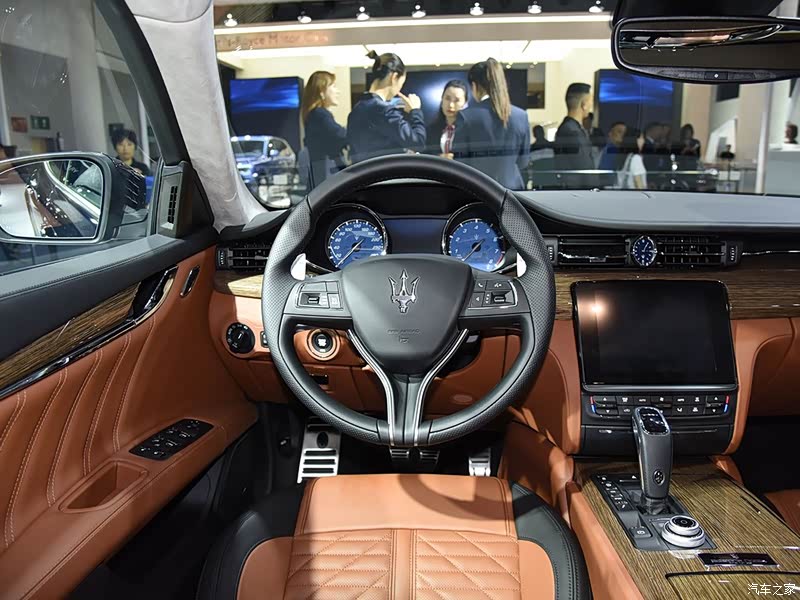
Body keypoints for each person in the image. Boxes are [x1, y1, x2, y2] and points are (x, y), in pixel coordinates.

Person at [452, 58, 530, 189]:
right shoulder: (521, 116)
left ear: (475, 85)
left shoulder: (466, 116)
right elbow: (523, 162)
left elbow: (460, 163)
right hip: (514, 191)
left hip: (479, 191)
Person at [347, 51, 426, 163]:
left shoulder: (357, 109)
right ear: (394, 77)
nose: (399, 89)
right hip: (384, 172)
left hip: (363, 172)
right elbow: (418, 142)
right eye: (401, 83)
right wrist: (415, 111)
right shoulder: (384, 110)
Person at [300, 71, 348, 187]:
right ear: (321, 92)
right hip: (326, 181)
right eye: (333, 86)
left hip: (321, 179)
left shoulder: (315, 115)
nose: (338, 91)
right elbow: (341, 135)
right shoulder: (320, 115)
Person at [553, 82, 594, 187]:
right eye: (590, 101)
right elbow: (585, 168)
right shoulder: (573, 132)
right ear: (584, 104)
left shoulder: (567, 128)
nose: (591, 106)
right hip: (579, 191)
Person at [425, 79, 468, 158]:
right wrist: (439, 157)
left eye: (457, 100)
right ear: (442, 99)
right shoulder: (430, 130)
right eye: (447, 98)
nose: (451, 105)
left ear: (465, 103)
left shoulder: (469, 129)